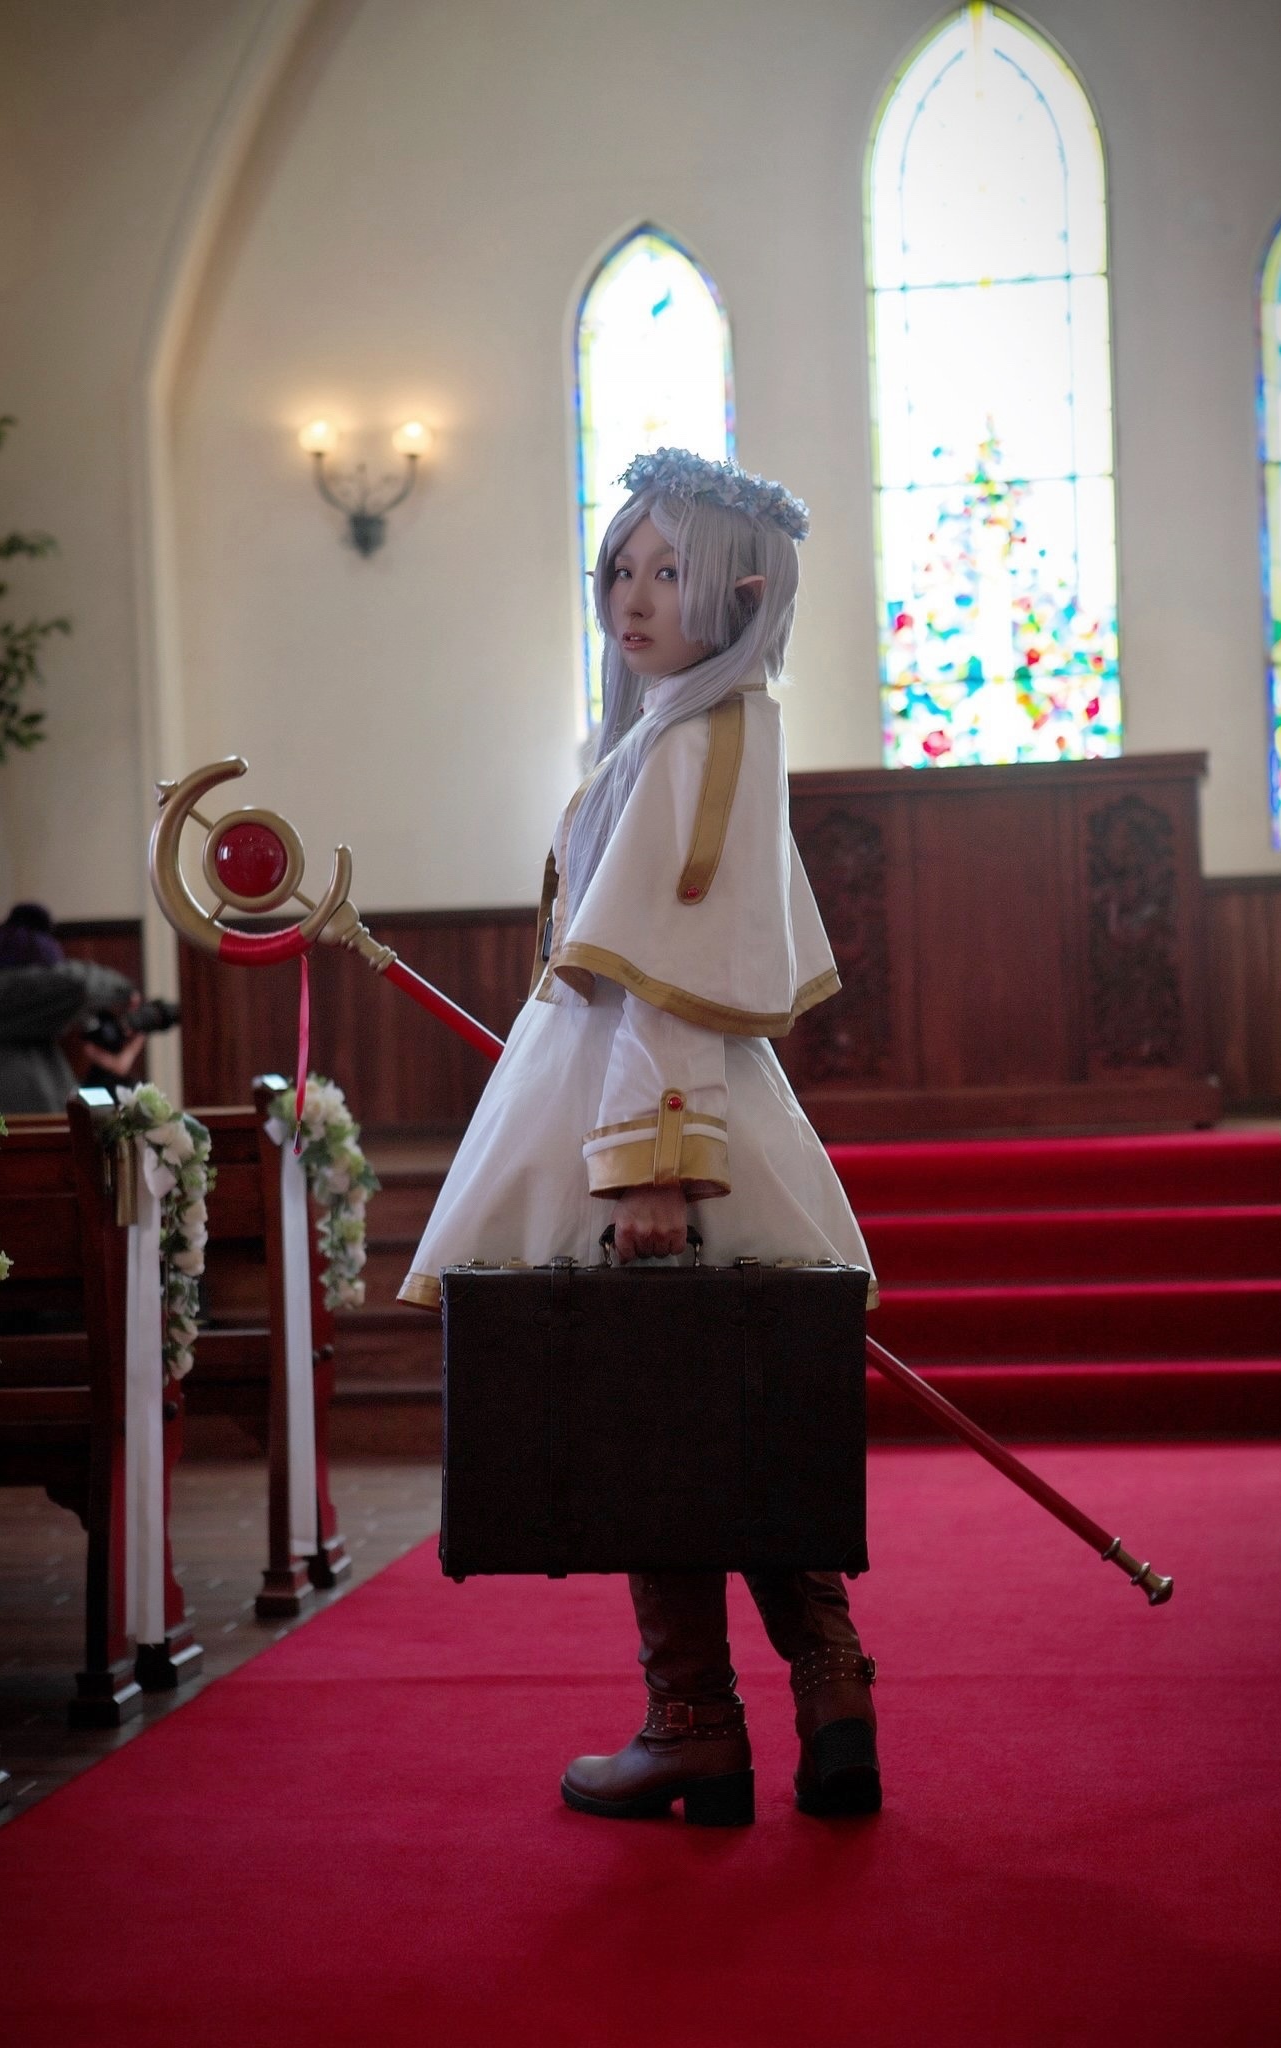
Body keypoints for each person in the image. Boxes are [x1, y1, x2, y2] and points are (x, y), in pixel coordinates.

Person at [399, 448, 881, 1825]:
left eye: (670, 571)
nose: (634, 594)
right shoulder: (688, 726)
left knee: (651, 1412)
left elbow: (666, 977)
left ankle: (694, 1726)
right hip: (670, 1099)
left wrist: (653, 1169)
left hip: (658, 1120)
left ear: (744, 591)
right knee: (739, 1412)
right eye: (621, 567)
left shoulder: (695, 737)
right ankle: (830, 1693)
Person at [0, 903, 138, 1115]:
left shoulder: (37, 1046)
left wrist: (109, 1073)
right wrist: (125, 991)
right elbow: (77, 987)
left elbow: (81, 1113)